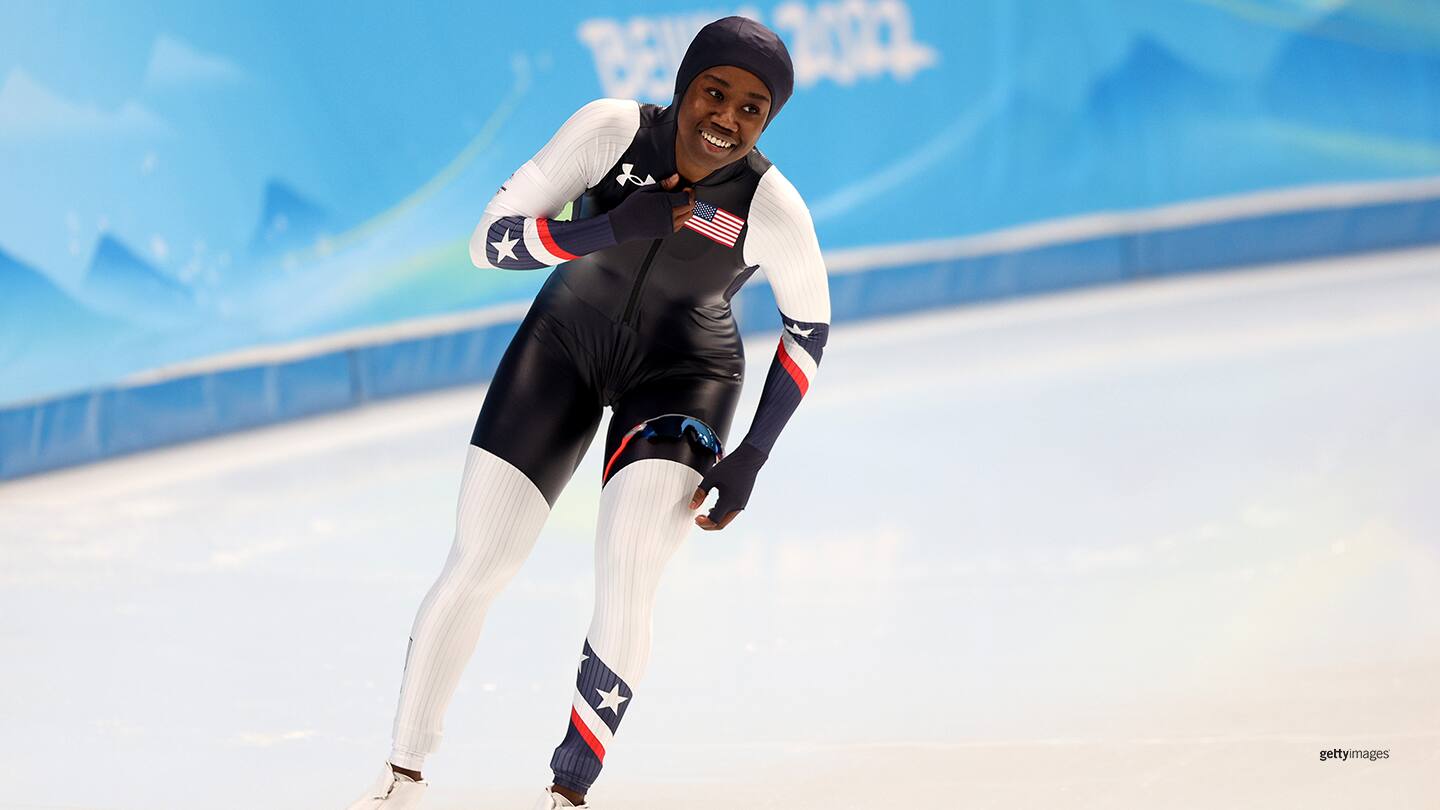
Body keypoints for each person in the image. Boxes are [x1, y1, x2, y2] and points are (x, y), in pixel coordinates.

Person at [345, 16, 829, 810]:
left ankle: (568, 792)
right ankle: (401, 776)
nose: (727, 120)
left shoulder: (770, 205)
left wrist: (754, 454)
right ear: (683, 88)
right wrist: (603, 228)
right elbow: (486, 242)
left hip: (685, 373)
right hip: (563, 346)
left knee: (630, 568)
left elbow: (810, 327)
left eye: (752, 109)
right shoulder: (610, 131)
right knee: (479, 562)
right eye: (715, 92)